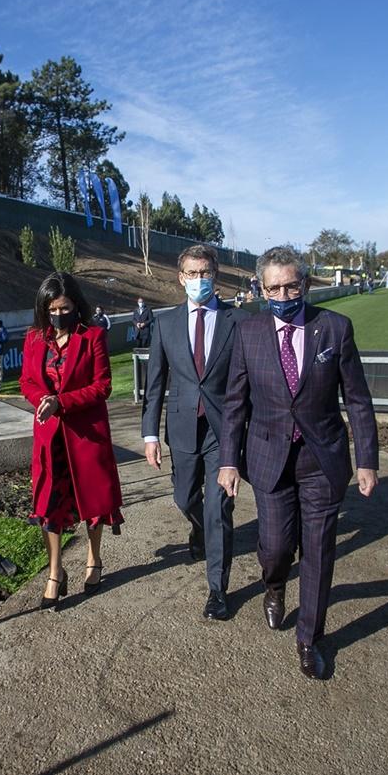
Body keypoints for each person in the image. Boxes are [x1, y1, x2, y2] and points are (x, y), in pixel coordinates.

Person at [218, 246, 379, 680]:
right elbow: (234, 403)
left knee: (320, 551)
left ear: (304, 284)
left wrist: (367, 460)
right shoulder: (248, 332)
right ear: (262, 289)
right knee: (274, 547)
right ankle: (274, 585)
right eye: (274, 287)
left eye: (291, 285)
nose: (284, 293)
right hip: (269, 459)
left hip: (322, 460)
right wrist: (228, 462)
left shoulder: (335, 329)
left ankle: (309, 638)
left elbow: (358, 400)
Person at [141, 245, 240, 620]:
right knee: (185, 500)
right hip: (182, 427)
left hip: (223, 430)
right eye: (192, 273)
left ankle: (217, 589)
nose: (199, 280)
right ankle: (197, 530)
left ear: (215, 275)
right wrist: (150, 435)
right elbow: (154, 385)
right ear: (180, 277)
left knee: (218, 508)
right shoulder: (165, 323)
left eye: (205, 273)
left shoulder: (238, 321)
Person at [19, 272, 123, 610]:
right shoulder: (34, 338)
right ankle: (55, 571)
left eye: (64, 307)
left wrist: (62, 402)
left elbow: (101, 386)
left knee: (92, 502)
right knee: (49, 503)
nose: (58, 314)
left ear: (76, 306)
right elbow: (26, 381)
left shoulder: (92, 336)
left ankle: (94, 560)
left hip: (86, 434)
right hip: (49, 435)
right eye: (51, 308)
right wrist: (43, 401)